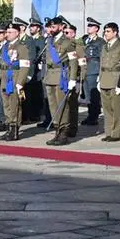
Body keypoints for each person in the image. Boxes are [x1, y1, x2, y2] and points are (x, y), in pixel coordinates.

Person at [42, 16, 79, 146]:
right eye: (50, 27)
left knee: (62, 105)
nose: (51, 29)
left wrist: (72, 79)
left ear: (61, 27)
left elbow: (73, 62)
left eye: (54, 27)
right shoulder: (49, 41)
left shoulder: (67, 42)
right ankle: (57, 129)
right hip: (50, 76)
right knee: (53, 106)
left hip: (61, 76)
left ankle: (64, 132)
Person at [0, 22, 31, 141]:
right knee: (6, 105)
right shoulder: (5, 46)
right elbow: (2, 65)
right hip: (5, 79)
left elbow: (25, 66)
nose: (8, 34)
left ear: (17, 33)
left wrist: (20, 82)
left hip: (15, 79)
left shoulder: (21, 47)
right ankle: (8, 128)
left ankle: (14, 130)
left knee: (15, 105)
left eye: (10, 32)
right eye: (7, 32)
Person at [97, 22, 120, 142]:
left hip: (115, 78)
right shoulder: (105, 46)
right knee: (107, 108)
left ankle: (115, 133)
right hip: (104, 78)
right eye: (105, 31)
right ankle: (108, 132)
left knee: (116, 108)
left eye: (108, 31)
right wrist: (99, 79)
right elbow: (101, 64)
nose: (106, 33)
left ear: (115, 32)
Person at [82, 18, 105, 125]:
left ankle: (94, 116)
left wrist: (100, 73)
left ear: (96, 29)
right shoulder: (84, 39)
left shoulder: (100, 42)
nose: (88, 28)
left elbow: (102, 57)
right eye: (88, 26)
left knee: (93, 95)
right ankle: (90, 115)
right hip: (84, 69)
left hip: (94, 69)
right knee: (87, 95)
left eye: (91, 26)